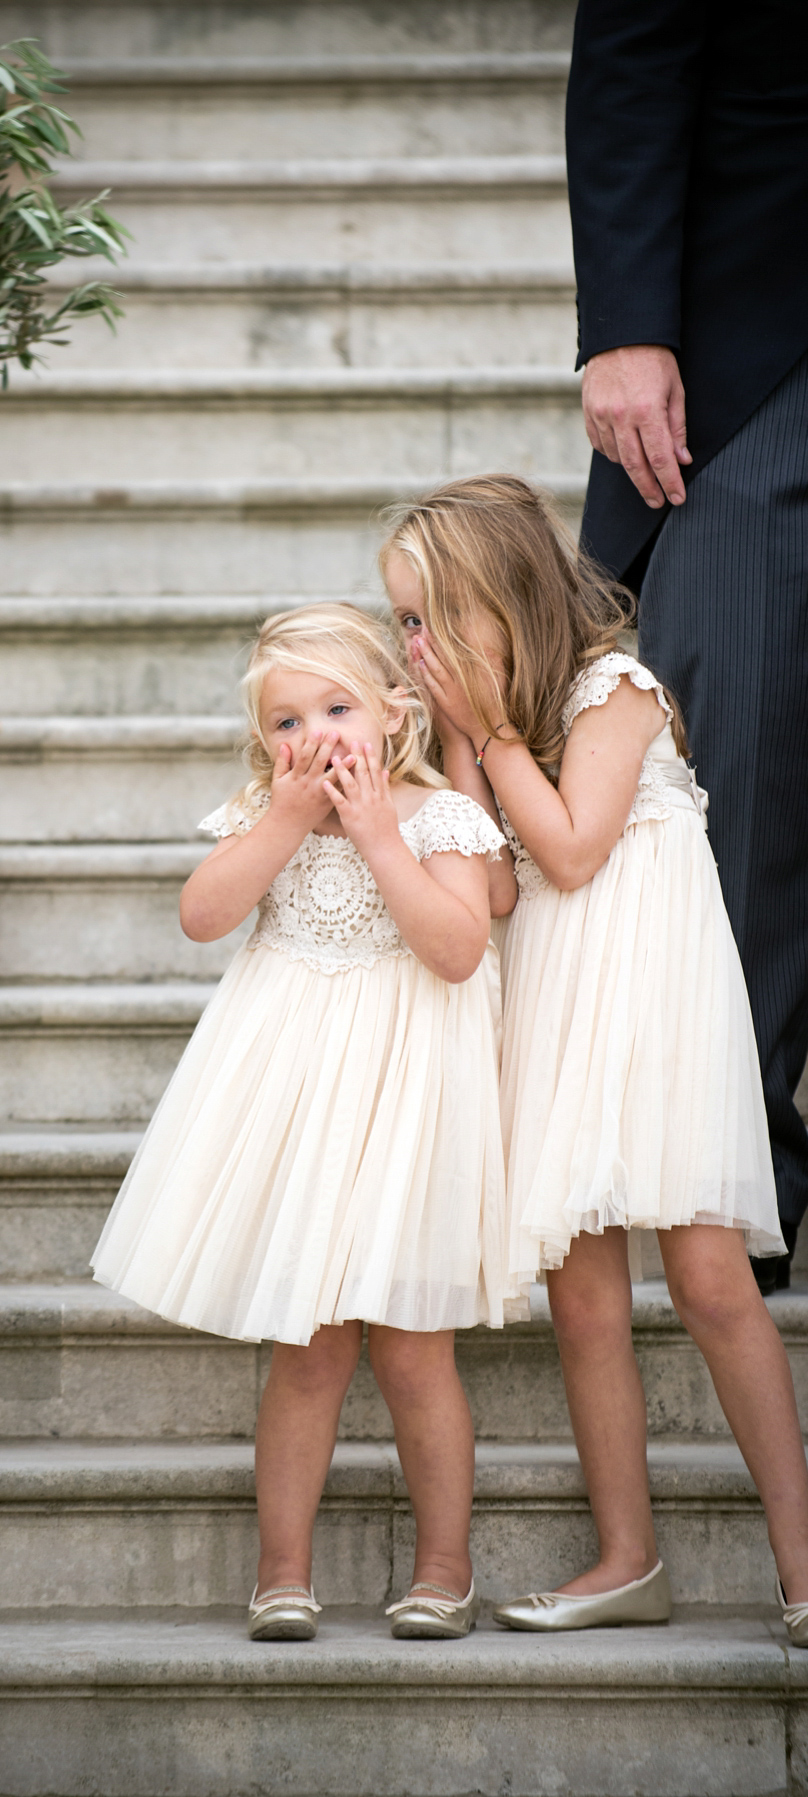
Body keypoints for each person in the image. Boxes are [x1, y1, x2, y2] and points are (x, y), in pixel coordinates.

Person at [381, 474, 808, 1644]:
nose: (416, 646)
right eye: (404, 625)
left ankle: (805, 1562)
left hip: (657, 1006)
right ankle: (628, 1556)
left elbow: (571, 850)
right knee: (582, 1298)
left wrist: (493, 734)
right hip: (563, 1005)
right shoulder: (494, 726)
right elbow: (506, 885)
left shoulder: (616, 689)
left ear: (505, 600)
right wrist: (466, 758)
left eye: (433, 618)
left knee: (713, 1279)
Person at [92, 603, 517, 1643]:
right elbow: (202, 914)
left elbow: (458, 949)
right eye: (286, 721)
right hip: (297, 1112)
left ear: (392, 715)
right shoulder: (266, 813)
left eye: (336, 708)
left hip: (408, 1104)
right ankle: (281, 1572)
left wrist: (378, 836)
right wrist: (284, 821)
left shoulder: (438, 817)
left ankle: (444, 1569)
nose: (313, 736)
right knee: (310, 1350)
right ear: (261, 742)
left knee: (416, 1352)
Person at [565, 0, 808, 1289]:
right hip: (758, 340)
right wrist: (626, 322)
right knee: (739, 756)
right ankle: (738, 1169)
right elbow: (636, 49)